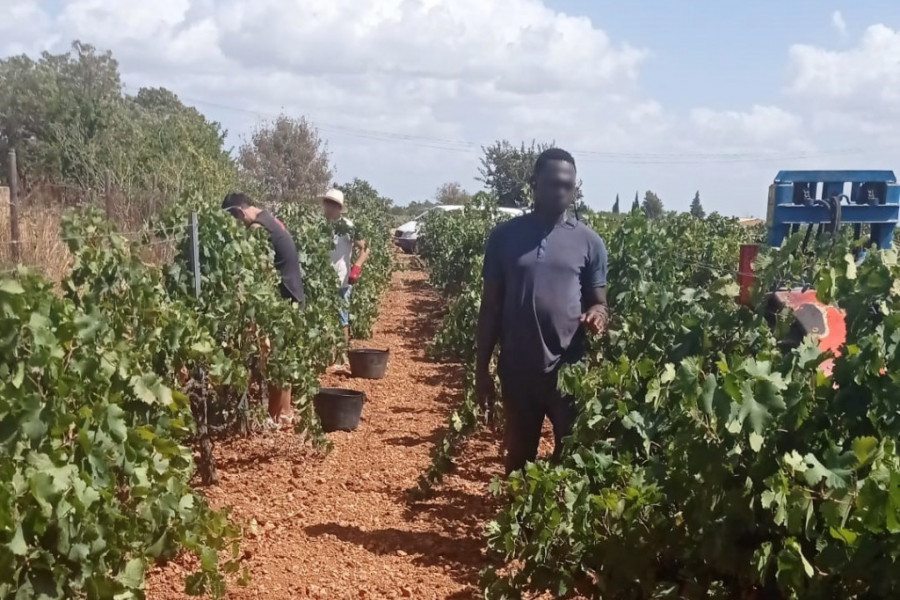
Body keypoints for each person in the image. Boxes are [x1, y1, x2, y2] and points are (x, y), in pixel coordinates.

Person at [475, 148, 609, 475]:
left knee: (572, 455)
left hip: (569, 369)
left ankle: (555, 526)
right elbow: (490, 307)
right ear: (535, 184)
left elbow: (599, 302)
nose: (561, 191)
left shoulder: (589, 242)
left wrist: (597, 317)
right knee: (519, 457)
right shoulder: (505, 237)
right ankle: (520, 526)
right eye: (553, 183)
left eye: (568, 185)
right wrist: (482, 370)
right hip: (518, 368)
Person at [222, 192, 305, 428]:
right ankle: (284, 414)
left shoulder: (258, 229)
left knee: (275, 356)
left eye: (236, 222)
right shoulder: (269, 217)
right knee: (283, 357)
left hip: (284, 298)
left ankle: (278, 415)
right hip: (293, 294)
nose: (239, 227)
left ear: (239, 212)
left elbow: (258, 270)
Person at [321, 188, 370, 369]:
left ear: (339, 208)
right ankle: (327, 354)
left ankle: (342, 358)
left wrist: (356, 268)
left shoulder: (348, 227)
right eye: (327, 203)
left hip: (341, 280)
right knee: (324, 317)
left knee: (341, 318)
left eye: (333, 205)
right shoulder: (320, 226)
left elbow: (365, 249)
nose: (329, 208)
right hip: (322, 280)